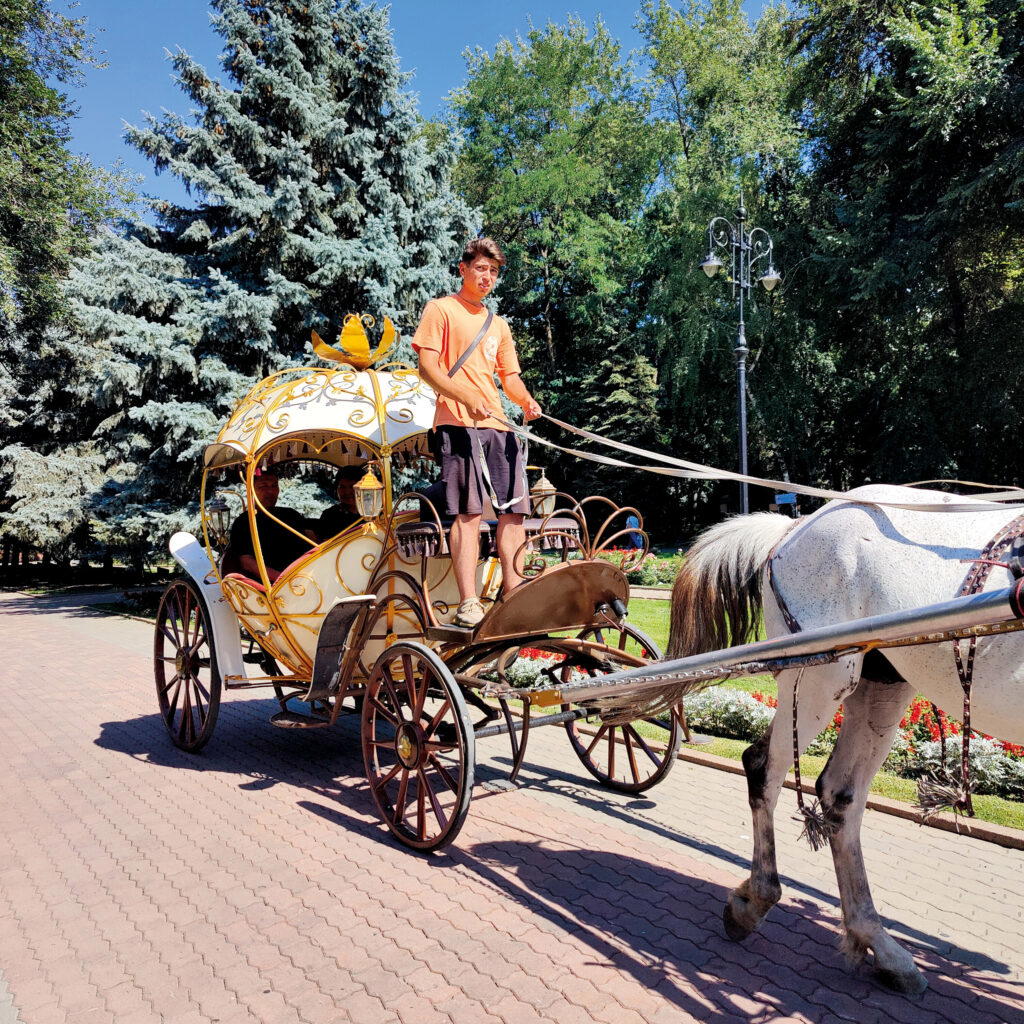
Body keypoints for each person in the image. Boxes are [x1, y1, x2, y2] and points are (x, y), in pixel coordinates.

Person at [413, 237, 542, 627]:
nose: (487, 277)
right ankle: (469, 602)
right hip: (457, 422)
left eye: (494, 271)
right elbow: (427, 368)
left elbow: (509, 378)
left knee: (515, 512)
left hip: (497, 426)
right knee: (468, 513)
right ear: (463, 269)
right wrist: (465, 396)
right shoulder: (441, 309)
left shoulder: (498, 324)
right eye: (481, 268)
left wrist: (526, 401)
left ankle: (515, 593)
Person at [226, 471, 315, 582]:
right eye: (263, 486)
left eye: (274, 486)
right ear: (252, 490)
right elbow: (248, 563)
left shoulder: (290, 514)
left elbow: (313, 542)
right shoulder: (244, 522)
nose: (270, 491)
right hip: (272, 585)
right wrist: (284, 580)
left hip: (307, 578)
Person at [313, 465, 364, 541]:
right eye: (342, 487)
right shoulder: (330, 515)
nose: (347, 492)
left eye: (352, 487)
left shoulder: (373, 514)